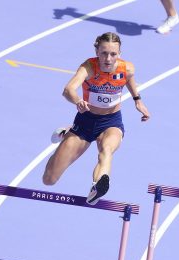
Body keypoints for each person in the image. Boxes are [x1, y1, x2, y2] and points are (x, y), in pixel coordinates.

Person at [42, 32, 150, 205]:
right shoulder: (89, 68)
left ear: (119, 54)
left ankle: (96, 188)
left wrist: (138, 101)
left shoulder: (127, 68)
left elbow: (129, 80)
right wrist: (78, 101)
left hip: (111, 122)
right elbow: (68, 90)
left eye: (113, 54)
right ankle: (67, 133)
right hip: (85, 122)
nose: (108, 58)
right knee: (49, 179)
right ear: (97, 52)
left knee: (106, 149)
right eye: (104, 53)